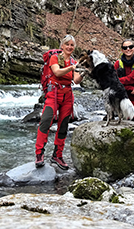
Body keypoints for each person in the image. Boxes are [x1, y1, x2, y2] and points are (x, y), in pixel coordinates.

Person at [35, 35, 84, 170]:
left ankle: (58, 155)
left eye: (72, 45)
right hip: (53, 94)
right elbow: (56, 72)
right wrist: (71, 68)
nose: (69, 47)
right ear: (62, 46)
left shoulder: (73, 61)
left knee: (63, 125)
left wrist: (84, 73)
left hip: (67, 95)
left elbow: (76, 80)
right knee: (46, 121)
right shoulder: (55, 58)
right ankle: (39, 154)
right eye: (67, 44)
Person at [114, 39, 134, 122]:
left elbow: (131, 79)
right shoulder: (117, 64)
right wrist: (129, 88)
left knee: (131, 120)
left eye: (130, 47)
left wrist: (117, 81)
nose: (128, 49)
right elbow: (113, 82)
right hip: (120, 97)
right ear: (122, 50)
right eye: (125, 48)